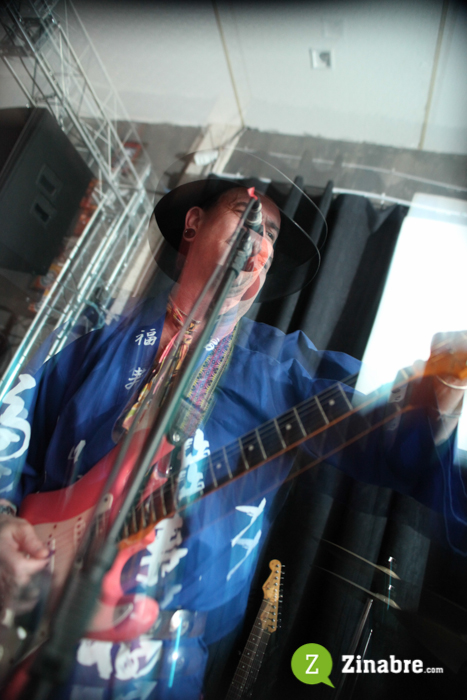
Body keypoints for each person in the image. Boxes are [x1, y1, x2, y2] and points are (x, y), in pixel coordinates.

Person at [0, 173, 466, 699]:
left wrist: (443, 389)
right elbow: (12, 412)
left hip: (148, 665)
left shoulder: (281, 371)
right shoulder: (96, 331)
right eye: (246, 218)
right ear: (193, 224)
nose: (259, 242)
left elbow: (390, 444)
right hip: (23, 589)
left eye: (270, 236)